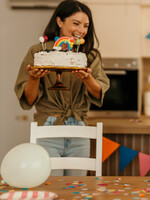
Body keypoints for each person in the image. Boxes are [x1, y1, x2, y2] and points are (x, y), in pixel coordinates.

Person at [14, 0, 109, 176]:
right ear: (59, 21)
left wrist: (88, 78)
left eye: (86, 26)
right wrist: (34, 79)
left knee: (77, 189)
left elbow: (98, 92)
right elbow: (28, 99)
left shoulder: (89, 55)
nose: (81, 30)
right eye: (76, 23)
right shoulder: (38, 52)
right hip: (48, 127)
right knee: (52, 188)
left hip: (79, 128)